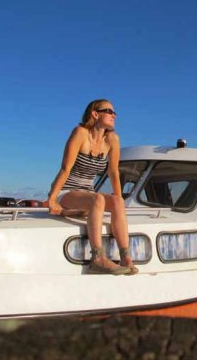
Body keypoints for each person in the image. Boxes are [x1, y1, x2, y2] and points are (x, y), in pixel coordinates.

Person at [47, 99, 138, 275]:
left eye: (114, 112)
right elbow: (65, 168)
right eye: (109, 111)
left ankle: (126, 256)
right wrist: (51, 199)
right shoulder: (80, 133)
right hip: (67, 191)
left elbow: (113, 173)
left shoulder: (112, 139)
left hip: (87, 195)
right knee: (97, 199)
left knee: (115, 200)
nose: (114, 115)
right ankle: (98, 258)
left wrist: (117, 203)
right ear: (95, 114)